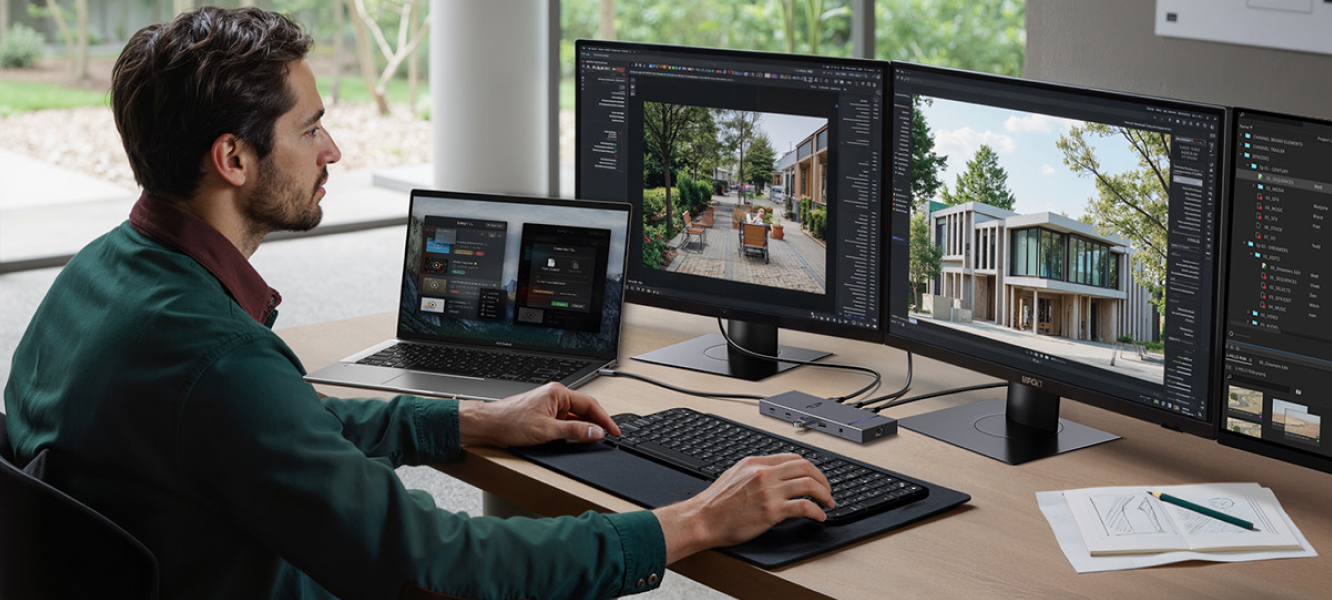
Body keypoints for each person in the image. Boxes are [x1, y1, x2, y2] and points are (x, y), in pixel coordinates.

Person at [2, 8, 832, 600]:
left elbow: (267, 433)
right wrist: (688, 525)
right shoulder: (216, 362)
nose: (334, 149)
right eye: (310, 128)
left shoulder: (99, 275)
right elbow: (438, 568)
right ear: (233, 158)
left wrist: (467, 423)